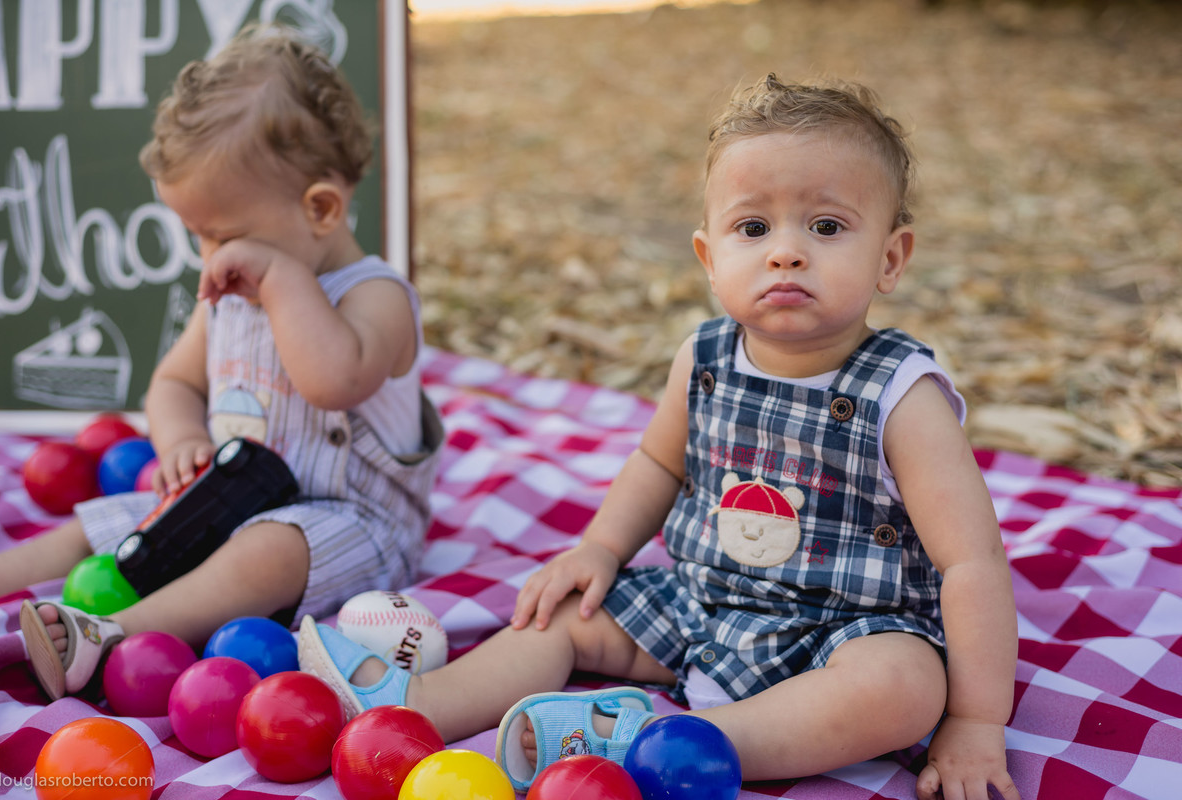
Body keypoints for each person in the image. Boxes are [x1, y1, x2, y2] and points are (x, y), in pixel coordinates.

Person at [298, 74, 1019, 800]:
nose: (787, 253)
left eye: (826, 227)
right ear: (710, 259)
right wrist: (601, 549)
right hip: (700, 605)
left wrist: (977, 720)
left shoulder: (900, 393)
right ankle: (418, 705)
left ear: (890, 258)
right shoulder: (702, 360)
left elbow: (972, 563)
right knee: (562, 617)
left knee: (905, 686)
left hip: (846, 632)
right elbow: (656, 463)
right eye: (754, 228)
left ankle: (665, 742)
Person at [0, 24, 442, 702]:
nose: (210, 258)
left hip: (345, 525)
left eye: (223, 235)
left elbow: (330, 378)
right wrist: (183, 441)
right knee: (107, 520)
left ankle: (105, 635)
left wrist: (283, 281)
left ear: (320, 208)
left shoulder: (378, 298)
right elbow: (173, 382)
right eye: (198, 236)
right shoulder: (233, 290)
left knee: (267, 551)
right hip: (225, 498)